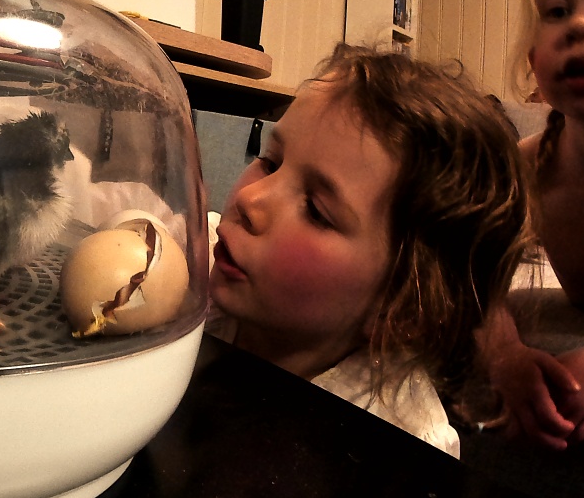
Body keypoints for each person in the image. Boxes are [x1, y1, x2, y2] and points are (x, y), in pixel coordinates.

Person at [209, 44, 529, 457]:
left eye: (317, 210)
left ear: (400, 312)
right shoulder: (197, 270)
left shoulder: (401, 452)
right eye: (271, 162)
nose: (249, 198)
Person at [479, 0, 584, 450]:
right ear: (533, 58)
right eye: (557, 10)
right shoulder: (526, 167)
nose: (579, 25)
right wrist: (504, 353)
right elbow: (470, 272)